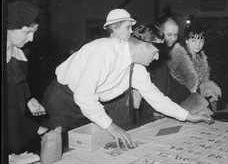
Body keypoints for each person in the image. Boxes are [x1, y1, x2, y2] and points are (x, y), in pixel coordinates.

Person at [41, 24, 214, 150]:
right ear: (142, 47)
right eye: (155, 53)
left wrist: (188, 116)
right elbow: (83, 96)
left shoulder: (137, 68)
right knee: (57, 152)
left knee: (85, 150)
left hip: (88, 106)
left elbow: (157, 98)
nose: (155, 59)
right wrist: (111, 125)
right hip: (62, 100)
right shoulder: (105, 51)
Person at [6, 1, 50, 155]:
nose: (31, 39)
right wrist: (36, 128)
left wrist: (28, 99)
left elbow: (15, 85)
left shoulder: (20, 54)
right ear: (8, 27)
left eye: (34, 32)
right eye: (27, 32)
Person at [167, 25, 222, 113]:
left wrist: (210, 91)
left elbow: (203, 82)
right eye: (193, 40)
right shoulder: (178, 58)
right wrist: (200, 106)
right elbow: (180, 89)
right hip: (181, 101)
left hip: (197, 98)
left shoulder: (201, 57)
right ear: (186, 41)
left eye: (201, 40)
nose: (198, 44)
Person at [102, 8, 141, 125]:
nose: (131, 31)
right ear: (114, 28)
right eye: (128, 27)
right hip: (107, 104)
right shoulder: (104, 50)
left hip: (124, 102)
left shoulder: (127, 47)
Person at [140, 13, 180, 118]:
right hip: (150, 110)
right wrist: (151, 110)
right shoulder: (151, 55)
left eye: (176, 35)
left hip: (164, 107)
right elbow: (146, 86)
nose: (174, 39)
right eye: (170, 35)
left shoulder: (170, 51)